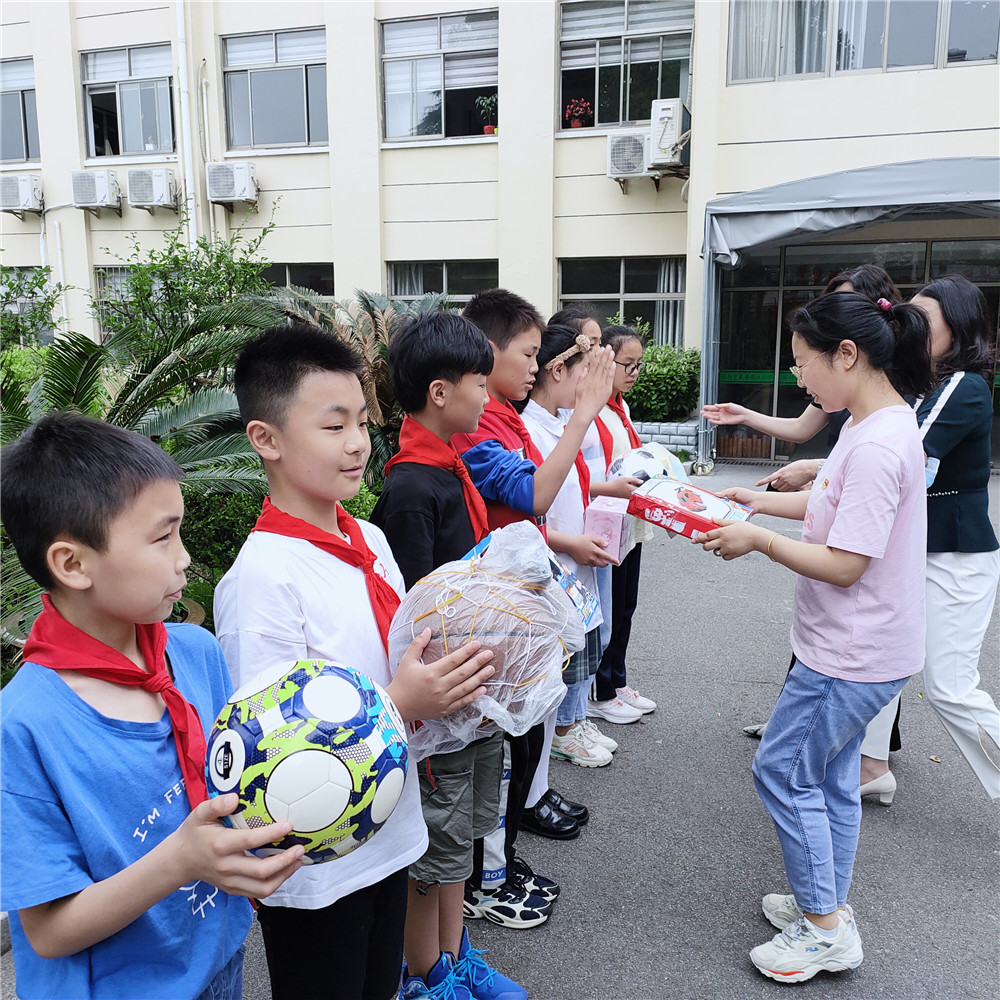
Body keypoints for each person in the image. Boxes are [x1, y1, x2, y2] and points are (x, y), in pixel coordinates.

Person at [213, 324, 496, 1000]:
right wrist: (403, 702)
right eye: (333, 425)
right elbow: (270, 758)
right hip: (317, 869)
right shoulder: (262, 581)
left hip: (391, 833)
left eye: (363, 421)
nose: (357, 442)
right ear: (267, 440)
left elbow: (397, 653)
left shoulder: (365, 536)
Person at [0, 412, 302, 1000]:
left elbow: (233, 784)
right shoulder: (24, 725)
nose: (184, 557)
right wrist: (182, 861)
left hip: (219, 957)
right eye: (163, 538)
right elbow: (49, 933)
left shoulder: (194, 652)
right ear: (73, 564)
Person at [695, 291, 933, 983]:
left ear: (848, 355)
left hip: (850, 655)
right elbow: (833, 501)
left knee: (782, 768)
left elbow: (846, 563)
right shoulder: (874, 420)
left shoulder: (880, 443)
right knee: (827, 778)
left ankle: (826, 929)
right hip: (860, 649)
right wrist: (760, 499)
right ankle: (823, 902)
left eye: (804, 364)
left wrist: (760, 539)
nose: (799, 379)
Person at [369, 311, 527, 1000]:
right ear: (440, 392)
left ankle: (455, 954)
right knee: (431, 848)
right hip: (441, 704)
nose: (488, 398)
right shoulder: (410, 489)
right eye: (477, 383)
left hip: (476, 693)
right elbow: (416, 617)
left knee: (463, 833)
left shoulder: (451, 467)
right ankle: (424, 974)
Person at [452, 289, 614, 927]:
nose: (536, 363)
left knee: (522, 733)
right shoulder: (474, 430)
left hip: (515, 599)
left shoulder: (499, 414)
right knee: (497, 743)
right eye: (526, 352)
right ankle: (486, 870)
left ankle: (499, 855)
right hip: (492, 610)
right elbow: (533, 492)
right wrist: (585, 415)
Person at [859, 274, 1000, 803]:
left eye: (924, 320)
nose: (910, 328)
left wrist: (815, 475)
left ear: (958, 330)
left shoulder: (964, 384)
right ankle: (871, 767)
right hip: (916, 552)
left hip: (954, 559)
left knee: (951, 689)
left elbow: (905, 461)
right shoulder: (922, 384)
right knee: (882, 657)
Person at [703, 265, 903, 492]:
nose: (802, 383)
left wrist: (816, 469)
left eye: (802, 365)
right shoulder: (852, 415)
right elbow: (802, 429)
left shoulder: (881, 431)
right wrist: (745, 416)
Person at [520, 324, 616, 773]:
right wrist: (570, 541)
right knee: (556, 668)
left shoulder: (556, 422)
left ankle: (572, 724)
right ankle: (561, 736)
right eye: (584, 371)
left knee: (581, 653)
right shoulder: (530, 430)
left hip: (576, 559)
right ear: (558, 370)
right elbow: (531, 515)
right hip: (556, 561)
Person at [587, 324, 658, 724]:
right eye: (626, 364)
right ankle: (601, 690)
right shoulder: (591, 409)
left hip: (629, 518)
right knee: (608, 607)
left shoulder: (621, 407)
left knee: (626, 605)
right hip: (605, 521)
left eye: (638, 365)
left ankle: (616, 679)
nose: (633, 372)